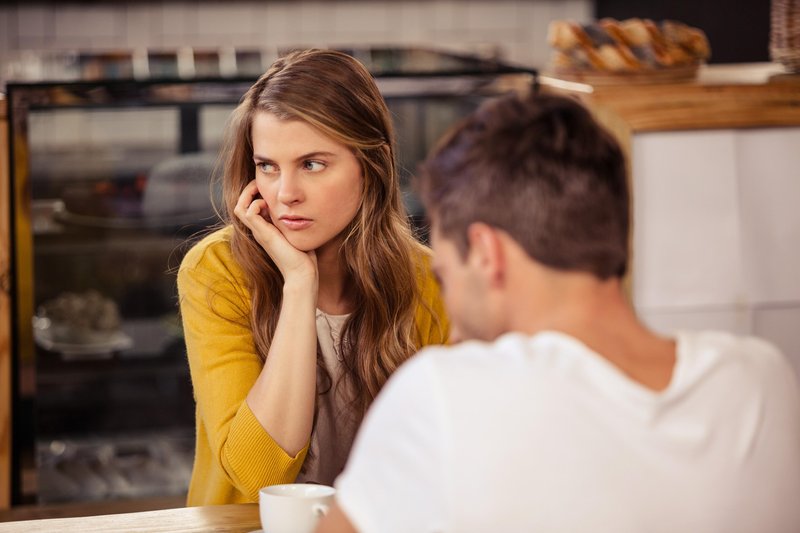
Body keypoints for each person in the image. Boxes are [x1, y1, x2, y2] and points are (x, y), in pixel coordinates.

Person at [317, 93, 800, 532]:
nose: (454, 324)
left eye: (444, 277)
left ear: (486, 254)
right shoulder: (761, 381)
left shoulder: (442, 394)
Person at [177, 49, 448, 506]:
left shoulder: (427, 281)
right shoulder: (215, 272)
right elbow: (257, 472)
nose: (286, 195)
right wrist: (299, 284)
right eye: (267, 166)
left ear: (371, 165)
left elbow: (444, 464)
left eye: (312, 164)